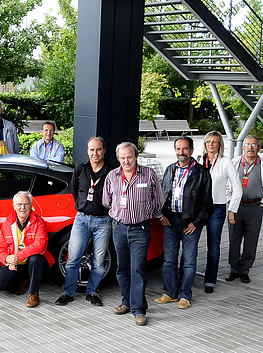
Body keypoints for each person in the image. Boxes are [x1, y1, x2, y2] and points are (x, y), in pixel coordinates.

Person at [102, 142, 164, 326]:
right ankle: (126, 302)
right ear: (118, 158)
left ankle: (139, 309)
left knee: (137, 268)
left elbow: (158, 200)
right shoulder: (112, 176)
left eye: (129, 157)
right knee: (122, 268)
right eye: (122, 158)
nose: (126, 161)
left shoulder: (148, 174)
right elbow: (107, 201)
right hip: (119, 227)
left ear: (136, 156)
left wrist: (147, 212)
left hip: (140, 228)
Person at [155, 137, 213, 310]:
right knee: (169, 260)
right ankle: (171, 293)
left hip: (190, 224)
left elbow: (207, 203)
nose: (181, 152)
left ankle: (185, 295)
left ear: (192, 150)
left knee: (188, 261)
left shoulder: (202, 172)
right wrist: (161, 215)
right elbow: (161, 195)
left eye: (185, 149)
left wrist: (196, 223)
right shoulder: (170, 169)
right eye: (178, 149)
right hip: (170, 221)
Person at [56, 136, 114, 307]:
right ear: (87, 151)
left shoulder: (111, 172)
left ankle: (93, 292)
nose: (95, 153)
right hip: (81, 219)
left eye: (98, 149)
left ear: (103, 150)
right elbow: (75, 191)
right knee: (73, 258)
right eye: (91, 150)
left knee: (99, 260)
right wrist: (83, 205)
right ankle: (68, 292)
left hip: (103, 220)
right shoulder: (80, 169)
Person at [226, 135, 263, 284]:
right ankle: (234, 269)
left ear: (259, 148)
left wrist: (262, 203)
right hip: (236, 207)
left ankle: (245, 270)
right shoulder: (234, 163)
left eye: (254, 145)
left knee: (251, 240)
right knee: (234, 239)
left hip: (255, 207)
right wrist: (230, 202)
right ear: (243, 148)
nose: (251, 148)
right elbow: (226, 185)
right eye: (248, 145)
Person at [0, 191, 54, 308]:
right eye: (19, 204)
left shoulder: (39, 222)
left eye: (26, 204)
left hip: (35, 264)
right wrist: (7, 259)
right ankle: (20, 283)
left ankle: (33, 293)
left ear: (31, 206)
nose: (23, 207)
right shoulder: (7, 223)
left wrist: (17, 257)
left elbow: (40, 245)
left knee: (35, 259)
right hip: (16, 265)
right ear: (14, 206)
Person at [200, 131, 242, 294]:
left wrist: (232, 210)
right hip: (198, 209)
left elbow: (237, 189)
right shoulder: (198, 160)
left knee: (214, 247)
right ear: (204, 144)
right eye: (208, 141)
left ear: (220, 145)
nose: (211, 144)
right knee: (190, 243)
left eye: (215, 142)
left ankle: (210, 281)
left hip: (217, 208)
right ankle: (184, 274)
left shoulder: (226, 162)